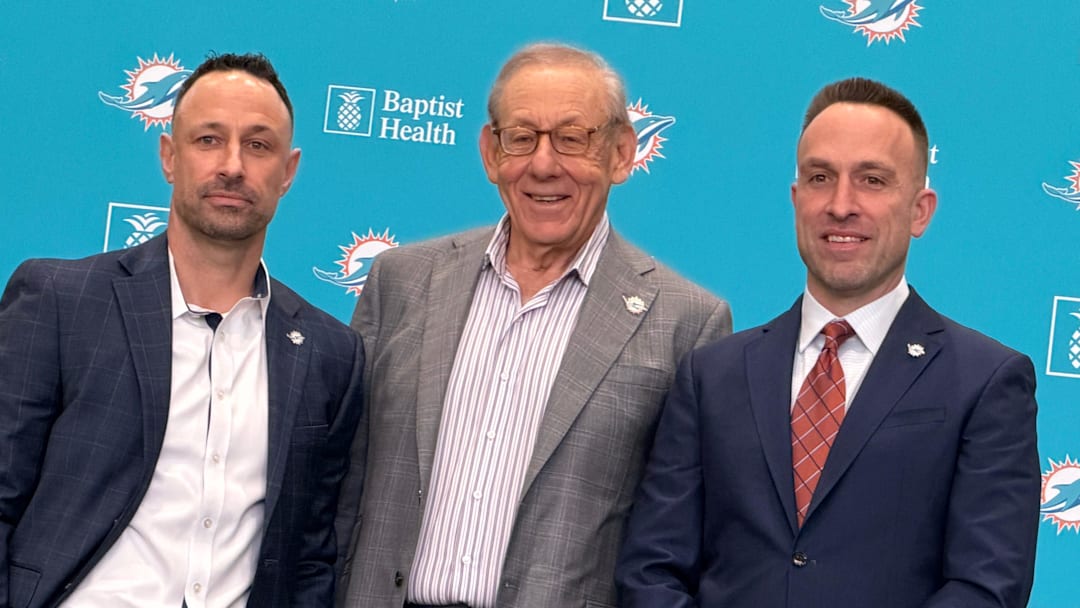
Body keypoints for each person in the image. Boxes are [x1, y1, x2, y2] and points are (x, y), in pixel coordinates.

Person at [333, 42, 731, 608]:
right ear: (490, 153)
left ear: (622, 153)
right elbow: (344, 491)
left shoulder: (685, 321)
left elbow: (675, 546)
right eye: (521, 137)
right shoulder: (401, 281)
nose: (543, 164)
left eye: (573, 137)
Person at [616, 77, 1040, 607]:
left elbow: (986, 588)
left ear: (920, 210)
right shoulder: (712, 375)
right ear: (796, 200)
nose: (841, 205)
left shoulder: (986, 381)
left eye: (872, 180)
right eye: (821, 177)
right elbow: (652, 571)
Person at [0, 53, 364, 607]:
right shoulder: (60, 301)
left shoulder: (330, 353)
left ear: (288, 173)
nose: (233, 166)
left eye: (258, 145)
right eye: (209, 140)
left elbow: (311, 556)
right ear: (169, 156)